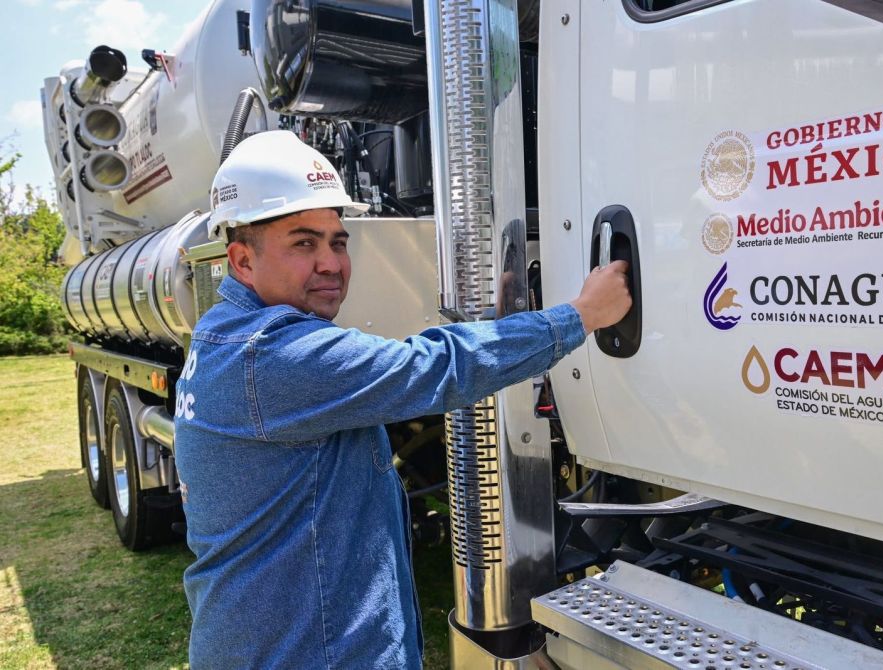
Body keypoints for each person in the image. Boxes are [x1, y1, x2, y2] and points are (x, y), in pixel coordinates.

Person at [174, 130, 631, 669]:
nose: (330, 263)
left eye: (337, 241)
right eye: (303, 242)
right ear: (242, 260)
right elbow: (432, 366)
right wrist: (580, 315)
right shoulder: (273, 355)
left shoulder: (222, 333)